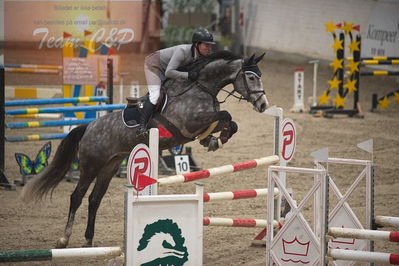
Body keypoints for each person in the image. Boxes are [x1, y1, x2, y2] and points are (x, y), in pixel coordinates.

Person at [137, 27, 215, 135]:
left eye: (210, 45)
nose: (209, 48)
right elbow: (169, 72)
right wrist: (188, 75)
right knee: (155, 95)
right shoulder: (182, 51)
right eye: (207, 45)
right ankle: (142, 127)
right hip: (154, 65)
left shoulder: (199, 56)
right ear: (197, 44)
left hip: (167, 70)